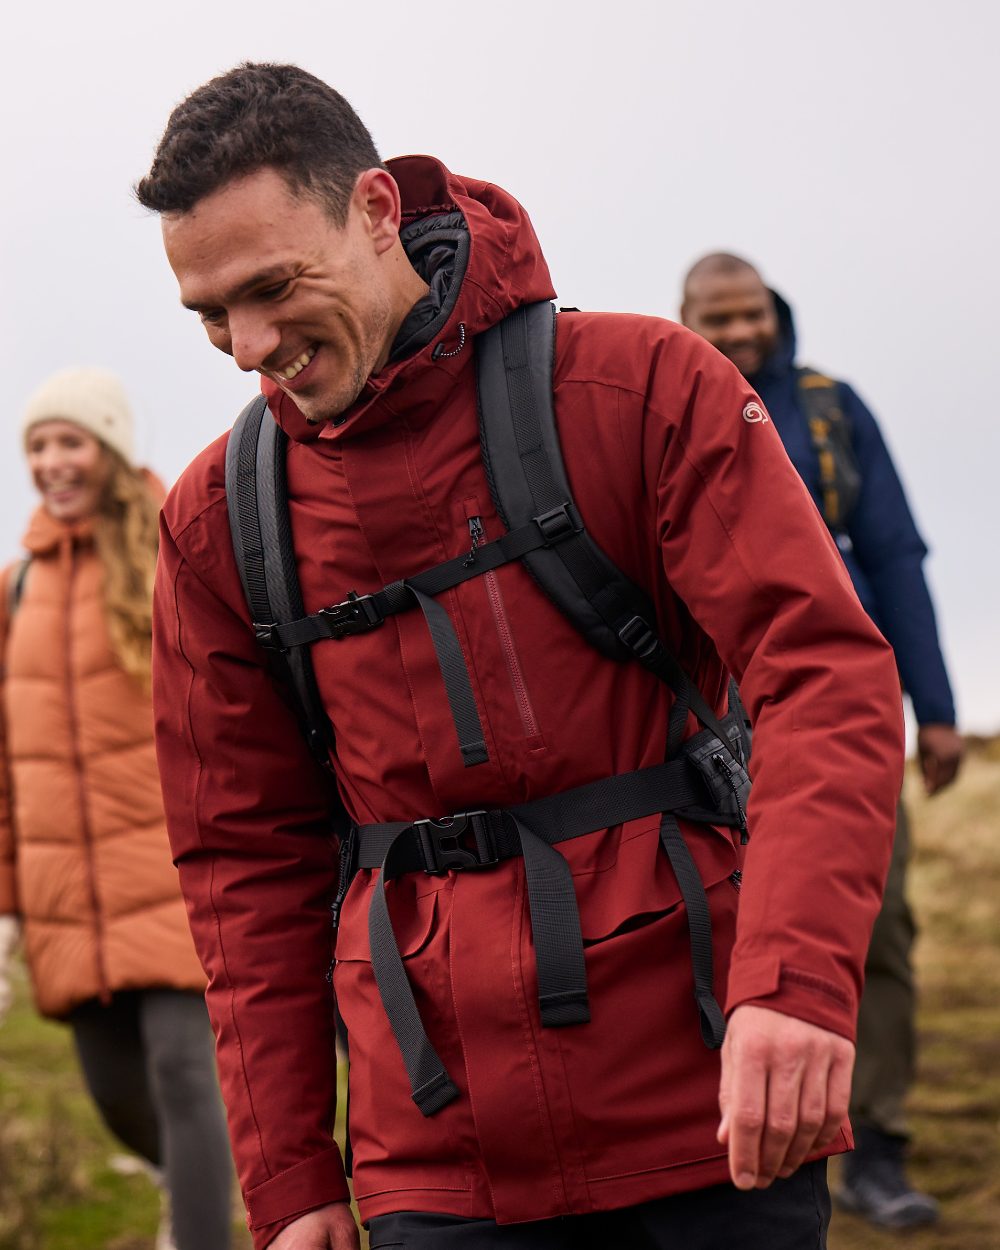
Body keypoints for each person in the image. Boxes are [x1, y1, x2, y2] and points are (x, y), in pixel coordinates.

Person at [137, 64, 904, 1250]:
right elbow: (243, 865)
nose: (246, 346)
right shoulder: (213, 527)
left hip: (709, 1112)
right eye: (208, 313)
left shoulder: (637, 388)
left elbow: (822, 673)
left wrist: (794, 988)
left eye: (272, 287)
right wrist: (289, 1184)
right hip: (432, 1169)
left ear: (378, 211)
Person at [681, 253, 964, 1229]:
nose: (737, 332)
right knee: (721, 929)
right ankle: (725, 1138)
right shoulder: (660, 410)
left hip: (843, 713)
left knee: (872, 925)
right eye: (715, 317)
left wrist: (932, 706)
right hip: (708, 727)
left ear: (775, 310)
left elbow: (894, 555)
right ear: (685, 319)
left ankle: (873, 1144)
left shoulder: (835, 414)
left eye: (749, 312)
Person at [0, 368, 234, 1250]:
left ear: (107, 449)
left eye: (70, 442)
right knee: (116, 1096)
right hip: (67, 894)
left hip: (171, 871)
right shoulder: (14, 590)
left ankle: (205, 1232)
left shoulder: (172, 556)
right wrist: (7, 903)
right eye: (37, 446)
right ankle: (195, 1184)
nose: (53, 462)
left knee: (182, 1069)